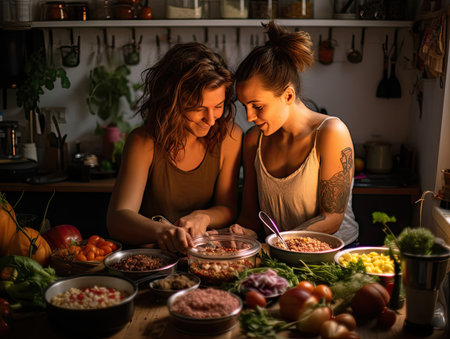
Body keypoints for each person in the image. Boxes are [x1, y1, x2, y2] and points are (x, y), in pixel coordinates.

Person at [230, 22, 359, 246]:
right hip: (280, 255)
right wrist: (233, 235)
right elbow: (250, 217)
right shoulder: (254, 140)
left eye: (258, 106)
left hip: (332, 257)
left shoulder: (330, 133)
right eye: (245, 106)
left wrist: (277, 244)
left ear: (288, 96)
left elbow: (331, 219)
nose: (249, 117)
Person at [107, 42, 242, 254]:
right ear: (172, 102)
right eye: (199, 109)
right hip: (153, 257)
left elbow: (228, 207)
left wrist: (203, 216)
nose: (211, 120)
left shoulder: (230, 137)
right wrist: (162, 232)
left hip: (207, 256)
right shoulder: (143, 141)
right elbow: (117, 218)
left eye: (218, 106)